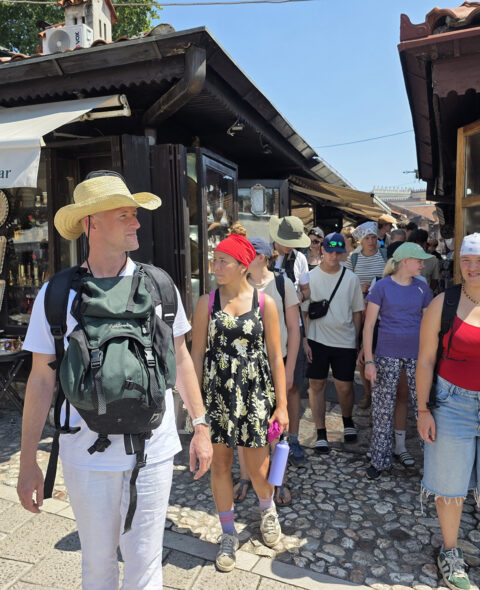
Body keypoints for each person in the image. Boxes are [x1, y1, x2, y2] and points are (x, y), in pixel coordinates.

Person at [16, 172, 213, 590]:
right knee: (98, 564)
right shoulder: (57, 295)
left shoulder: (160, 286)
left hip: (154, 448)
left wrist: (200, 425)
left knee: (146, 563)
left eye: (135, 214)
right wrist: (28, 460)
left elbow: (180, 359)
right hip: (85, 453)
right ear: (90, 222)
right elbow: (40, 381)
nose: (136, 222)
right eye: (124, 214)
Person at [191, 233, 289, 573]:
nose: (215, 267)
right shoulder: (206, 303)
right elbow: (196, 354)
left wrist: (282, 405)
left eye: (223, 261)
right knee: (220, 466)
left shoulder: (265, 304)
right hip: (217, 396)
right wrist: (194, 407)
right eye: (215, 260)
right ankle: (228, 533)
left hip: (254, 395)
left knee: (259, 469)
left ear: (243, 265)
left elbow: (275, 356)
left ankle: (267, 510)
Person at [417, 233, 480, 590]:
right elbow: (426, 360)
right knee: (450, 485)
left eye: (479, 261)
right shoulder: (444, 303)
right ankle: (451, 551)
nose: (472, 268)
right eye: (467, 260)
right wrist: (422, 410)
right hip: (451, 403)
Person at [233, 238, 300, 506]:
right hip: (244, 364)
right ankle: (245, 476)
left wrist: (290, 369)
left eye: (245, 255)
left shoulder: (282, 284)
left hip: (276, 363)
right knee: (242, 423)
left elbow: (294, 329)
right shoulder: (237, 284)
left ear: (260, 257)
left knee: (276, 425)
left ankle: (278, 478)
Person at [363, 242, 433, 480]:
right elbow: (369, 325)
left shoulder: (422, 288)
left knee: (423, 408)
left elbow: (429, 325)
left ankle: (433, 467)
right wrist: (369, 361)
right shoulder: (382, 287)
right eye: (419, 260)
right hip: (386, 354)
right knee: (382, 410)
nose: (422, 264)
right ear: (405, 262)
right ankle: (378, 460)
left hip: (417, 355)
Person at [300, 233, 364, 453]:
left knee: (345, 386)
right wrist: (305, 339)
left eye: (338, 252)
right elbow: (304, 312)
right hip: (316, 339)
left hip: (344, 341)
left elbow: (357, 312)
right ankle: (320, 432)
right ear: (322, 250)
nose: (334, 256)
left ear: (344, 254)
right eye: (330, 251)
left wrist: (356, 341)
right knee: (316, 385)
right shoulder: (310, 277)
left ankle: (347, 421)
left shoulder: (351, 279)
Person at [269, 215, 310, 466]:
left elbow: (307, 292)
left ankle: (291, 439)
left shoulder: (300, 258)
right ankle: (268, 440)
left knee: (292, 386)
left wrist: (294, 297)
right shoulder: (264, 255)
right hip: (267, 327)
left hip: (293, 326)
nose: (290, 246)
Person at [343, 221, 387, 409]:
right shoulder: (353, 259)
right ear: (360, 240)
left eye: (373, 237)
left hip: (383, 312)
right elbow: (344, 283)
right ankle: (368, 393)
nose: (371, 241)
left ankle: (380, 393)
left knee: (380, 353)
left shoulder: (385, 255)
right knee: (361, 354)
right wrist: (359, 288)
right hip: (360, 310)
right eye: (367, 238)